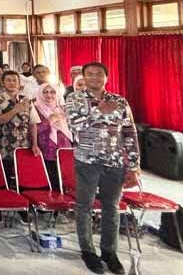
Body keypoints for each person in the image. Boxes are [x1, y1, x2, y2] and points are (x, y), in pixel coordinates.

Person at [66, 62, 140, 275]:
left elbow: (129, 132)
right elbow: (74, 126)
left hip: (114, 161)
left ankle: (109, 252)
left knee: (112, 207)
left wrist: (134, 165)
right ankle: (88, 251)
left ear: (106, 77)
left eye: (99, 74)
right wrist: (98, 112)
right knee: (84, 206)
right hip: (87, 161)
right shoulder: (74, 99)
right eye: (90, 74)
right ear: (84, 77)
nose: (94, 77)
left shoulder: (119, 101)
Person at [0, 70, 40, 187]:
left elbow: (33, 123)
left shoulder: (26, 100)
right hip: (4, 145)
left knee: (23, 180)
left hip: (23, 145)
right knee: (5, 180)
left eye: (14, 80)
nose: (11, 83)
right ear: (3, 83)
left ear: (19, 83)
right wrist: (15, 110)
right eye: (8, 80)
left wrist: (35, 144)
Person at [31, 83, 72, 192]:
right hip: (46, 149)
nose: (49, 95)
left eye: (52, 92)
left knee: (65, 182)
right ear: (40, 94)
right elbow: (33, 130)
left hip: (64, 149)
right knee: (50, 183)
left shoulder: (62, 109)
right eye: (45, 92)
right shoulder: (35, 109)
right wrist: (49, 120)